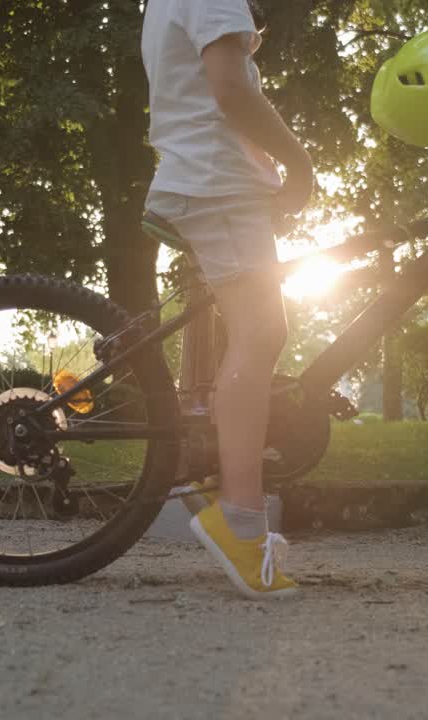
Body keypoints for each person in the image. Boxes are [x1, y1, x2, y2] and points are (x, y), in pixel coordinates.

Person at [141, 0, 313, 599]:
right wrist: (298, 159)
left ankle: (229, 490)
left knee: (257, 333)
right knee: (262, 334)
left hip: (208, 180)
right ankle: (240, 520)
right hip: (216, 183)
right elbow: (231, 91)